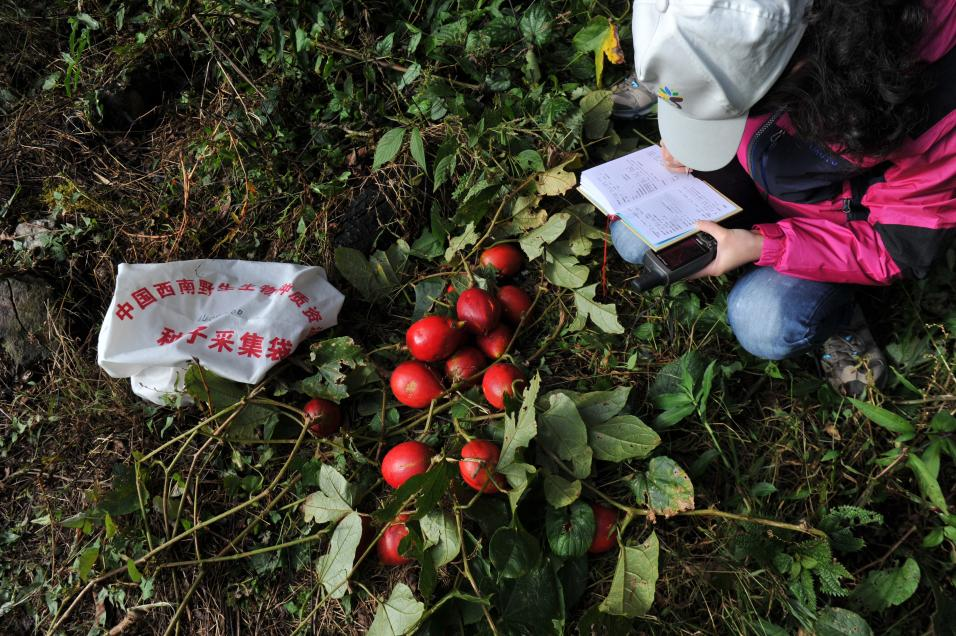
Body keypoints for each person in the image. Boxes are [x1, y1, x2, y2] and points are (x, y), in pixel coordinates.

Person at [609, 0, 956, 395]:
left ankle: (838, 312)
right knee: (632, 236)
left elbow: (896, 247)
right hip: (750, 161)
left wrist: (763, 245)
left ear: (803, 67)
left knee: (764, 323)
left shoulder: (937, 107)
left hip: (830, 226)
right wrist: (687, 118)